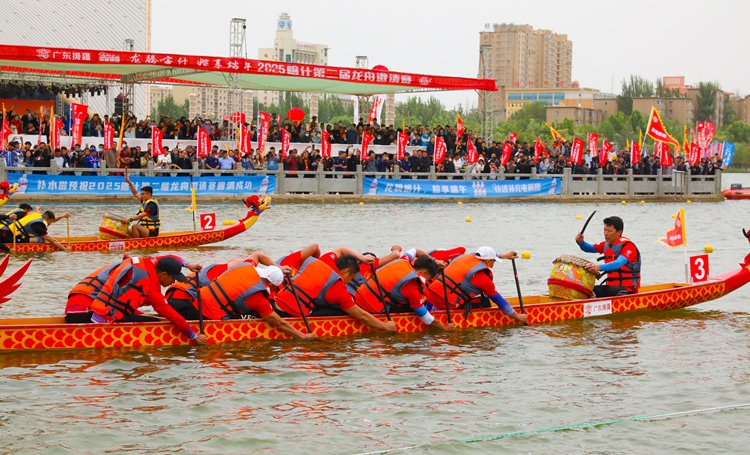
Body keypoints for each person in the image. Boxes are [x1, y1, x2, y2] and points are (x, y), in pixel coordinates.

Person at [168, 262, 314, 340]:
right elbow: (280, 323)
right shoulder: (258, 297)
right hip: (207, 315)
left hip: (196, 302)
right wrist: (303, 336)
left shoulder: (244, 266)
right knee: (256, 316)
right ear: (271, 285)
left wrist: (278, 271)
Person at [88, 256, 207, 344]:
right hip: (109, 319)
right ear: (164, 274)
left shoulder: (150, 262)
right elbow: (172, 315)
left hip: (99, 310)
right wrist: (194, 336)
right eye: (173, 278)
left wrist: (187, 264)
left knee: (145, 315)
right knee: (158, 322)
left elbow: (170, 257)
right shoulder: (151, 289)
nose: (173, 282)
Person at [274, 254, 397, 332]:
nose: (349, 282)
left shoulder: (321, 262)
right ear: (346, 271)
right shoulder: (338, 288)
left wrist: (361, 258)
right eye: (351, 278)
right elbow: (361, 316)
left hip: (277, 301)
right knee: (342, 309)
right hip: (291, 312)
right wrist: (385, 326)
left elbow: (341, 249)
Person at [424, 247, 528, 324]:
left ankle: (426, 314)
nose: (493, 264)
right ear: (488, 261)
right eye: (493, 261)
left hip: (429, 296)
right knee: (485, 302)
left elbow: (477, 254)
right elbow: (500, 301)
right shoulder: (482, 278)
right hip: (445, 304)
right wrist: (519, 317)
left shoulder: (466, 257)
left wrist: (503, 255)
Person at [355, 255, 454, 331]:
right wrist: (444, 329)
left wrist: (434, 261)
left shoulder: (402, 261)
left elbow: (414, 250)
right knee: (415, 308)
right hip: (370, 309)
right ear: (424, 273)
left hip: (357, 297)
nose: (426, 281)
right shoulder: (412, 285)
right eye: (428, 278)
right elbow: (426, 318)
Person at [575, 216, 641, 297]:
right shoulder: (606, 245)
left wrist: (598, 267)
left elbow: (618, 263)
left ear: (619, 232)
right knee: (587, 290)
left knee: (613, 290)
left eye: (609, 231)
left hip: (628, 289)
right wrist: (581, 242)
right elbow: (588, 248)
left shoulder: (628, 246)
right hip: (611, 287)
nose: (606, 233)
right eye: (605, 230)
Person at [124, 170, 160, 238]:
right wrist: (129, 182)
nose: (141, 196)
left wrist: (130, 219)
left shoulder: (152, 204)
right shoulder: (144, 201)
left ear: (148, 194)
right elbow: (135, 193)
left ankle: (136, 242)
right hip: (144, 229)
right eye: (141, 194)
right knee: (125, 229)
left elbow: (141, 215)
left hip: (152, 232)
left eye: (143, 194)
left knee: (135, 226)